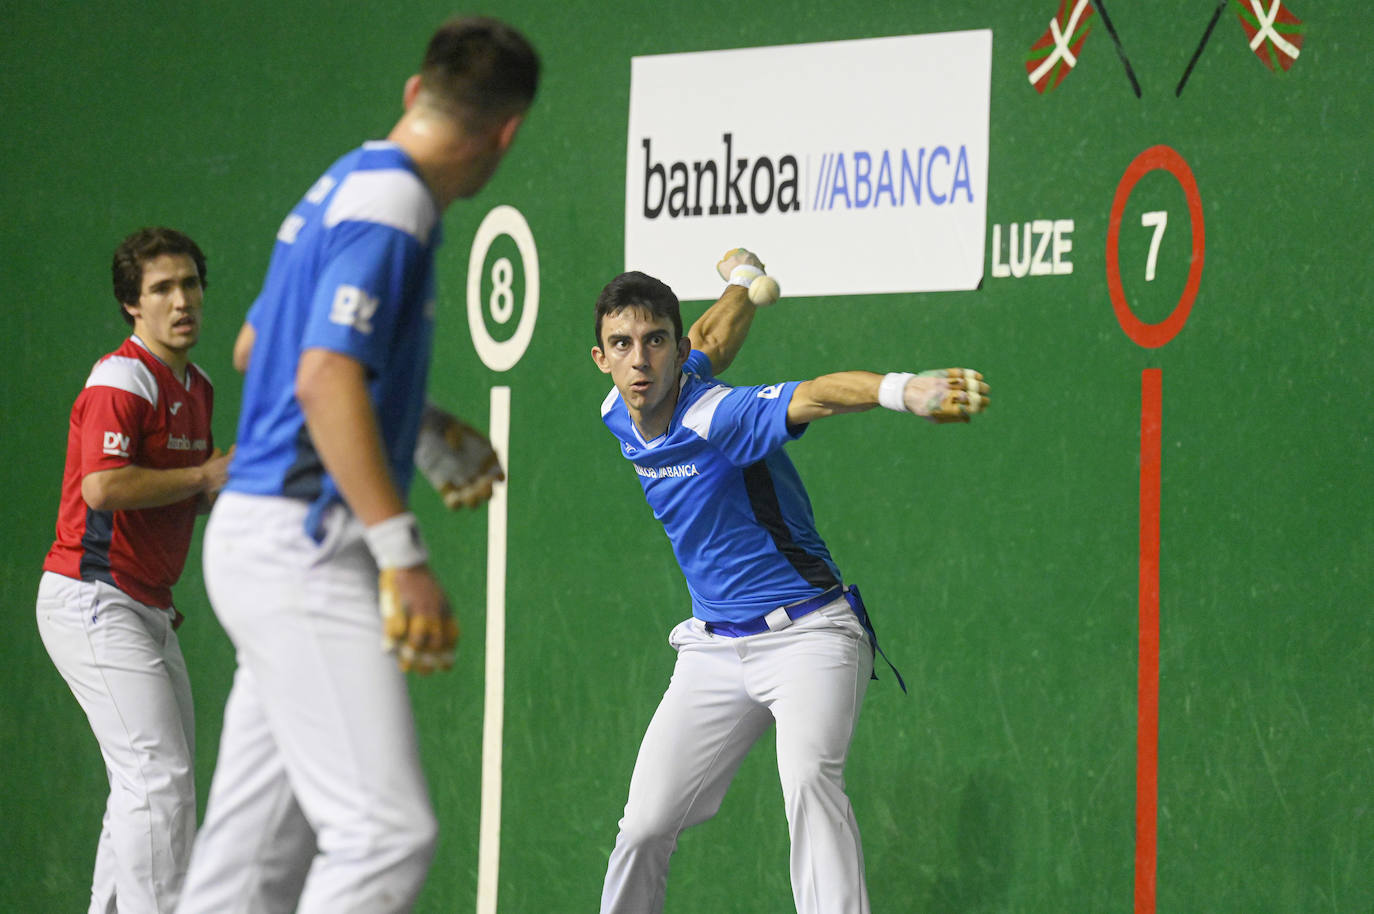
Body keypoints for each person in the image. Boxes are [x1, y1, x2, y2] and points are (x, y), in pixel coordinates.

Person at [175, 17, 538, 914]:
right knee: (385, 835)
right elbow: (323, 373)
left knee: (249, 858)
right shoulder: (399, 208)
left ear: (415, 94)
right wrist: (402, 552)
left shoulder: (344, 181)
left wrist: (416, 424)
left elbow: (261, 345)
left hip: (254, 539)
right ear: (507, 134)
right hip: (304, 543)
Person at [591, 249, 990, 914]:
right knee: (644, 827)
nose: (640, 360)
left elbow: (814, 395)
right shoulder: (620, 407)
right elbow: (713, 337)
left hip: (810, 634)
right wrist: (742, 284)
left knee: (809, 781)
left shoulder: (719, 414)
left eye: (656, 341)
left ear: (672, 345)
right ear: (601, 357)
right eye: (622, 345)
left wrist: (904, 391)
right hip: (713, 651)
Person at [37, 226, 232, 913]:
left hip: (147, 605)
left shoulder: (197, 386)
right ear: (132, 305)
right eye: (162, 289)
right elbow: (105, 487)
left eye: (190, 284)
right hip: (94, 598)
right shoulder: (120, 379)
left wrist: (245, 478)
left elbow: (191, 490)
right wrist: (205, 473)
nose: (182, 301)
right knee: (159, 779)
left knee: (145, 783)